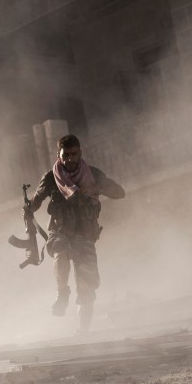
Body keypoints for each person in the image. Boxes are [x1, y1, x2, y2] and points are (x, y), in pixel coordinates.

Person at [24, 134, 125, 333]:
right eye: (65, 155)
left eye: (73, 154)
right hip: (60, 231)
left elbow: (120, 193)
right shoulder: (51, 178)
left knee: (87, 290)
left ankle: (83, 334)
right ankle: (62, 293)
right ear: (59, 156)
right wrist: (27, 209)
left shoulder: (93, 175)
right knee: (60, 251)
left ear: (80, 153)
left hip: (85, 236)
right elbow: (35, 203)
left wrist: (96, 188)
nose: (70, 159)